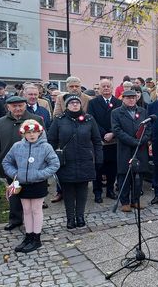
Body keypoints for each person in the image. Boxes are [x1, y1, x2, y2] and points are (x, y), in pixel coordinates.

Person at [2, 120, 59, 253]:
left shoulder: (46, 147)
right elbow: (7, 162)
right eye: (28, 132)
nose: (32, 135)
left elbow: (54, 164)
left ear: (40, 132)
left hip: (38, 183)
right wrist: (16, 174)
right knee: (26, 210)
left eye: (34, 132)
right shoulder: (17, 146)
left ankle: (36, 238)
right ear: (23, 133)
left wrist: (39, 174)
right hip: (23, 184)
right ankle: (28, 236)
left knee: (36, 209)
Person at [48, 94, 102, 229]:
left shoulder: (89, 119)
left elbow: (96, 140)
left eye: (77, 102)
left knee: (82, 190)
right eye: (71, 103)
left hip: (85, 159)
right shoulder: (59, 120)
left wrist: (99, 158)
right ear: (67, 105)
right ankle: (70, 218)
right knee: (68, 191)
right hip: (66, 161)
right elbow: (51, 140)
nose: (74, 105)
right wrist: (53, 158)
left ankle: (80, 216)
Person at [0, 96, 44, 231]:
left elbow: (43, 141)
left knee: (31, 197)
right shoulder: (0, 122)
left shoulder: (35, 119)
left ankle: (33, 222)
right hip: (10, 166)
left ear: (25, 105)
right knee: (14, 193)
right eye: (14, 106)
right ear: (8, 107)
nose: (17, 108)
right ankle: (15, 219)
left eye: (20, 105)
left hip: (31, 166)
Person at [112, 90, 150, 212]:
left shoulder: (142, 111)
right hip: (125, 149)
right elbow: (117, 131)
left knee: (138, 176)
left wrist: (143, 140)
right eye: (128, 98)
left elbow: (148, 128)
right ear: (123, 99)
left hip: (140, 149)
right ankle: (125, 202)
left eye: (133, 97)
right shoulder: (116, 112)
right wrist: (133, 141)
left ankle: (135, 200)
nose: (131, 100)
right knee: (124, 175)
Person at [87, 79, 122, 203]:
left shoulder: (119, 102)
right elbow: (92, 119)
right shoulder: (93, 103)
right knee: (98, 167)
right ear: (99, 89)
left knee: (112, 167)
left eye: (108, 86)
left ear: (112, 88)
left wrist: (112, 133)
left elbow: (120, 120)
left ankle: (110, 190)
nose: (106, 88)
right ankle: (97, 192)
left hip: (114, 140)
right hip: (99, 140)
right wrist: (103, 134)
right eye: (103, 86)